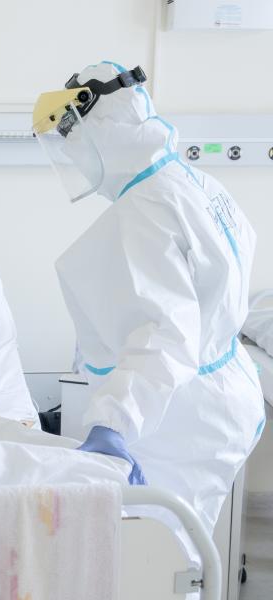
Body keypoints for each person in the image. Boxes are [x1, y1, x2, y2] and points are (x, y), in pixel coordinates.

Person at [32, 61, 265, 531]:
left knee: (156, 558)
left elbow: (168, 333)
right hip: (219, 394)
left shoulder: (144, 213)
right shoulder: (193, 183)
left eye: (72, 140)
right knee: (181, 557)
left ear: (99, 129)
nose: (73, 157)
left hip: (177, 417)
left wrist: (113, 424)